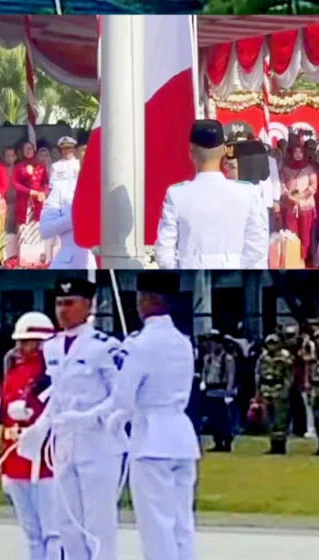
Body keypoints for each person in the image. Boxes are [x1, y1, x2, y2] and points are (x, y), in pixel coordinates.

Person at [19, 279, 126, 560]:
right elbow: (58, 395)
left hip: (100, 444)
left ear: (88, 306)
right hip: (65, 445)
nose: (62, 310)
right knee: (67, 524)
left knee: (98, 523)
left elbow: (121, 396)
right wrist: (40, 428)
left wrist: (89, 417)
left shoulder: (105, 346)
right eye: (58, 304)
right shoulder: (52, 347)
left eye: (69, 303)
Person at [104, 272, 199, 560]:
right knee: (182, 521)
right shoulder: (183, 342)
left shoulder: (140, 345)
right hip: (182, 436)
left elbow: (122, 398)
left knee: (156, 524)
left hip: (151, 438)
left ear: (148, 300)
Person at [155, 120, 269, 269]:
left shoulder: (177, 194)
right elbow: (257, 247)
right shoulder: (247, 193)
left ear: (190, 153)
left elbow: (164, 253)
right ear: (224, 151)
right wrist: (232, 267)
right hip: (233, 274)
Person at [0, 312, 61, 560]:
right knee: (32, 533)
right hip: (17, 460)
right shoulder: (14, 374)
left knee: (53, 532)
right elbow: (6, 418)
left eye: (26, 342)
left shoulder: (54, 374)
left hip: (46, 463)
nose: (19, 347)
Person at [40, 137, 96, 269]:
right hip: (69, 261)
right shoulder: (61, 187)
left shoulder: (106, 190)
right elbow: (45, 230)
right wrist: (74, 218)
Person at [256, 334, 294, 454]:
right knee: (268, 419)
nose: (271, 346)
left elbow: (289, 375)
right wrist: (258, 392)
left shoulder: (285, 356)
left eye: (274, 343)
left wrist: (286, 390)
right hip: (266, 388)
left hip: (279, 388)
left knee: (280, 419)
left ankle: (280, 446)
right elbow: (258, 374)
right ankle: (273, 443)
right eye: (269, 343)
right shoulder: (263, 357)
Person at [280, 139, 317, 263]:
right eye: (295, 152)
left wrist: (302, 196)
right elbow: (281, 184)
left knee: (305, 235)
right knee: (292, 234)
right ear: (291, 153)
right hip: (290, 206)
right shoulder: (285, 168)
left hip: (305, 206)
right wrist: (288, 196)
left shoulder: (309, 168)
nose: (298, 154)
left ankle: (302, 259)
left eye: (300, 152)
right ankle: (293, 259)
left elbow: (313, 185)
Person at [201, 334, 236, 452]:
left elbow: (230, 375)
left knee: (224, 418)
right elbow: (205, 372)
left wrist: (229, 391)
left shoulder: (227, 358)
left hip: (222, 390)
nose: (213, 345)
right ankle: (217, 441)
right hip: (210, 390)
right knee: (213, 418)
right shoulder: (208, 358)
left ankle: (227, 441)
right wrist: (203, 383)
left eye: (215, 343)